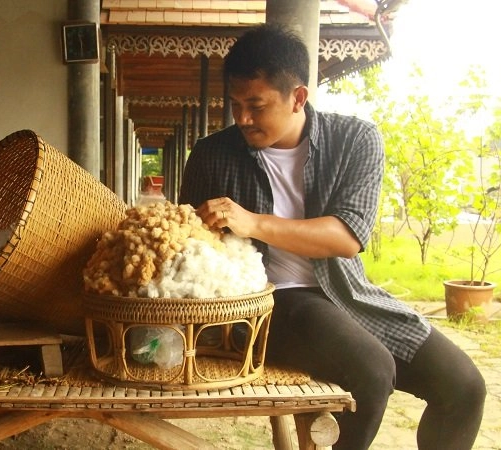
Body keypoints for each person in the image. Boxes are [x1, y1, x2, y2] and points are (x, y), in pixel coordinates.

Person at [179, 24, 486, 450]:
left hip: (349, 292)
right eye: (235, 104)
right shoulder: (212, 155)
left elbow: (347, 236)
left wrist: (253, 222)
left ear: (298, 98)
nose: (243, 118)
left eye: (256, 105)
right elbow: (186, 244)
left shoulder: (355, 140)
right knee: (371, 371)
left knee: (465, 388)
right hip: (267, 303)